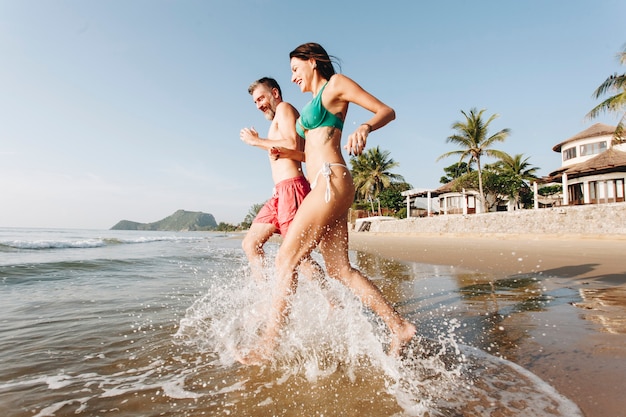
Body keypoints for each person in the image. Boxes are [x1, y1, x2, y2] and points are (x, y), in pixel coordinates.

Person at [241, 44, 416, 364]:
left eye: (296, 69)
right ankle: (399, 326)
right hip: (326, 181)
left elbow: (385, 111)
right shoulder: (310, 104)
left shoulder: (335, 85)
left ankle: (268, 345)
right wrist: (278, 151)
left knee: (285, 261)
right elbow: (307, 152)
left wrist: (364, 127)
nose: (293, 76)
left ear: (312, 62)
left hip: (329, 179)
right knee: (338, 269)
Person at [240, 77, 324, 283]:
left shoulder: (285, 108)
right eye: (256, 102)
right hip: (279, 193)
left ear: (275, 93)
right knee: (251, 244)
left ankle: (334, 301)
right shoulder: (276, 121)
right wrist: (263, 141)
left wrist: (256, 141)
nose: (259, 105)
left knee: (298, 256)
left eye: (261, 98)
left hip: (292, 189)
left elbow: (293, 145)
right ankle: (267, 297)